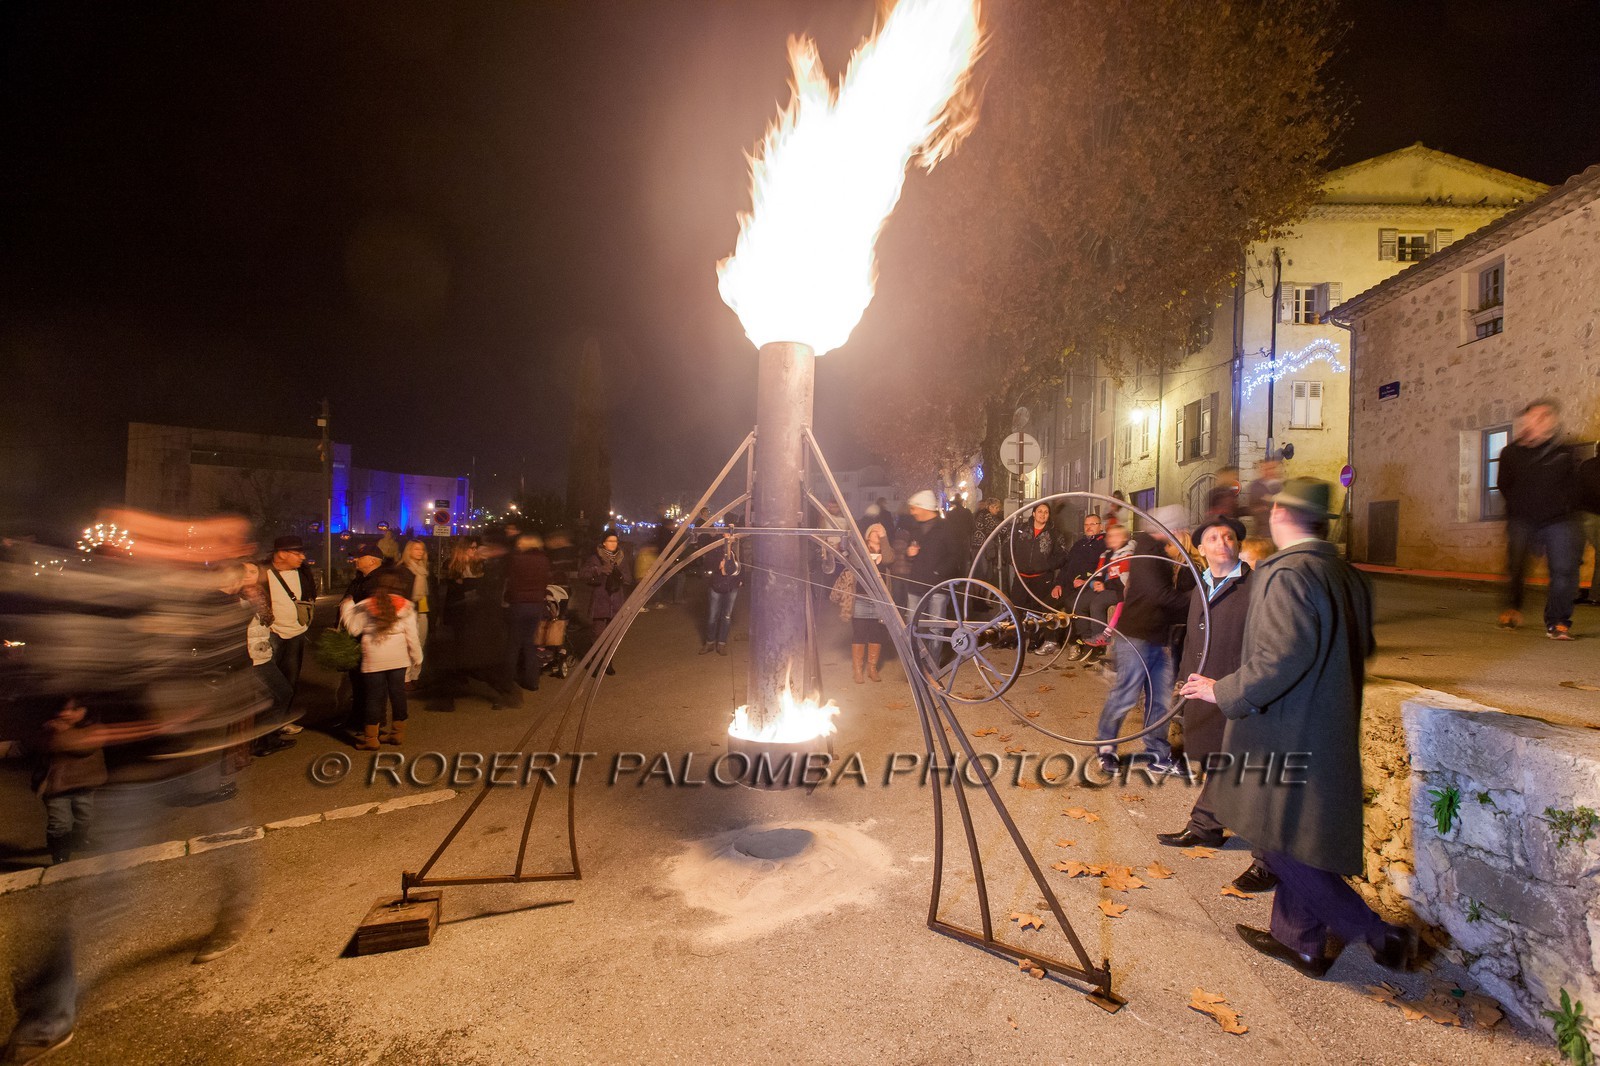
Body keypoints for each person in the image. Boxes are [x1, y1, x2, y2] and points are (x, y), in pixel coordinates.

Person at [1180, 478, 1421, 978]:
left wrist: (1220, 691)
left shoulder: (1285, 573)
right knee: (1295, 835)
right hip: (1327, 724)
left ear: (1281, 517)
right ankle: (1301, 942)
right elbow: (1359, 649)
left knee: (1274, 838)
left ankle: (1382, 935)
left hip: (1283, 729)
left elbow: (1279, 658)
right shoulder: (1347, 575)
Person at [1155, 514, 1274, 891]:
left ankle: (1268, 861)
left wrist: (1239, 688)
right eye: (1212, 537)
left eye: (1229, 536)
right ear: (1201, 548)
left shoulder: (1255, 587)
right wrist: (1184, 678)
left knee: (1253, 775)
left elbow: (1267, 648)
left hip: (1239, 692)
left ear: (1238, 545)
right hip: (1204, 690)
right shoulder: (1200, 588)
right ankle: (1205, 825)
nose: (1222, 542)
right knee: (1219, 762)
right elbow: (1194, 640)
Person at [1095, 505, 1193, 774]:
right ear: (1171, 529)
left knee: (1160, 699)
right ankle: (1106, 747)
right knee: (1125, 695)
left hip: (1157, 636)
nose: (1182, 535)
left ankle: (1159, 754)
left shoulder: (1160, 552)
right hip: (1136, 636)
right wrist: (1195, 602)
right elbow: (1157, 595)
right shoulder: (1148, 552)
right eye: (1179, 529)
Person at [1498, 398, 1581, 638]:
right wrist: (1520, 508)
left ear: (1553, 421)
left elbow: (1574, 486)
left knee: (1564, 571)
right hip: (1522, 519)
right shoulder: (1511, 453)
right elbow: (1504, 485)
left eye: (1544, 416)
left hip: (1559, 520)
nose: (1538, 421)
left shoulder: (1565, 452)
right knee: (1516, 566)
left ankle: (1558, 620)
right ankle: (1513, 607)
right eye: (1533, 417)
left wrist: (1565, 508)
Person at [342, 570, 422, 750]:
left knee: (373, 698)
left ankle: (371, 739)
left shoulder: (366, 605)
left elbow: (354, 629)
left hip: (374, 658)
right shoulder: (407, 607)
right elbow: (412, 636)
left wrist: (346, 607)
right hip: (399, 658)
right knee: (398, 695)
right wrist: (417, 657)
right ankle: (397, 734)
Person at [31, 698, 107, 865]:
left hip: (85, 783)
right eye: (62, 710)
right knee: (60, 823)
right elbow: (40, 744)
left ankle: (80, 841)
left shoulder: (95, 728)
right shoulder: (49, 728)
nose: (65, 714)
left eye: (72, 710)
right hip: (56, 787)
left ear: (84, 710)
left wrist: (64, 732)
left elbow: (82, 747)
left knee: (85, 818)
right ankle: (59, 853)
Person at [262, 535, 317, 734]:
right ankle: (267, 727)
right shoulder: (262, 572)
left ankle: (283, 720)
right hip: (272, 634)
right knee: (270, 683)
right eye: (297, 553)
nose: (302, 557)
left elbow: (310, 594)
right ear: (282, 553)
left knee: (290, 679)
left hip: (296, 633)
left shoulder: (302, 572)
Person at [901, 490, 961, 668]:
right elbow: (911, 551)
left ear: (924, 507)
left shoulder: (947, 528)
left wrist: (938, 572)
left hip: (938, 587)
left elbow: (955, 555)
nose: (912, 512)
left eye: (914, 508)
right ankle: (915, 663)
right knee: (912, 624)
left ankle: (932, 666)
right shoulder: (916, 528)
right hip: (916, 585)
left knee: (936, 627)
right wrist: (909, 554)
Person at [1009, 501, 1068, 654]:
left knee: (1036, 609)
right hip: (1021, 577)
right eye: (1040, 511)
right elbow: (1008, 547)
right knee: (1016, 607)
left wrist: (1047, 565)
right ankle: (1014, 636)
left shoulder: (1054, 534)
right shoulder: (1022, 529)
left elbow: (1062, 556)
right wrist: (1013, 562)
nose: (1042, 514)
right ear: (1033, 513)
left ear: (1049, 516)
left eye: (1046, 512)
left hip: (1041, 578)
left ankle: (1035, 639)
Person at [581, 531, 633, 675]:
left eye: (615, 541)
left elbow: (629, 578)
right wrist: (599, 570)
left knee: (612, 635)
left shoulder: (622, 559)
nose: (613, 544)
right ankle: (595, 664)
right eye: (610, 541)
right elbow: (583, 574)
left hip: (616, 601)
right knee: (597, 634)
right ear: (603, 542)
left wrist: (620, 575)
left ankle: (607, 663)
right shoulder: (595, 558)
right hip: (600, 601)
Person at [505, 532, 552, 691]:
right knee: (530, 643)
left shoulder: (516, 560)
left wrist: (508, 598)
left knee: (513, 644)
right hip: (536, 605)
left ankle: (507, 681)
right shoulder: (544, 560)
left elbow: (511, 582)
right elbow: (546, 581)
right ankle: (532, 681)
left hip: (518, 605)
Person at [1058, 513, 1105, 659]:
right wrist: (1058, 583)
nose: (1089, 527)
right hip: (1070, 584)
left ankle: (1078, 642)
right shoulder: (1079, 544)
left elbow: (1103, 569)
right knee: (1048, 600)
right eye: (1086, 525)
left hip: (1089, 585)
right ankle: (1051, 640)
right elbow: (1066, 566)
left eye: (1093, 524)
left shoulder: (1104, 544)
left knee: (1073, 604)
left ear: (1100, 526)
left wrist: (1087, 581)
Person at [395, 538, 432, 684]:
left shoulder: (423, 569)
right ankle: (405, 678)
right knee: (408, 645)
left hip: (422, 610)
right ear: (409, 550)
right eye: (416, 549)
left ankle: (415, 676)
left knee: (420, 643)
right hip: (407, 610)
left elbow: (428, 594)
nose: (420, 552)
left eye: (422, 549)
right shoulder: (403, 569)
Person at [702, 526, 742, 656]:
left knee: (727, 616)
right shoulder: (716, 549)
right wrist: (718, 566)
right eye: (728, 534)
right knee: (713, 616)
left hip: (732, 586)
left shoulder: (736, 549)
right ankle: (709, 642)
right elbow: (707, 564)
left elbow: (743, 564)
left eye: (732, 535)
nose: (730, 537)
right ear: (723, 535)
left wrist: (741, 580)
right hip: (717, 586)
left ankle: (722, 644)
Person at [1578, 448, 1600, 605]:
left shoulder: (1586, 465)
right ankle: (1595, 595)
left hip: (1579, 514)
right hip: (1596, 515)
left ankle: (1569, 593)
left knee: (1573, 557)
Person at [1245, 458, 1283, 537]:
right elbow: (1251, 508)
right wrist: (1260, 509)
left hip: (1281, 529)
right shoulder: (1255, 486)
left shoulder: (1283, 485)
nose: (1269, 471)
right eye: (1266, 469)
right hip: (1263, 530)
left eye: (1272, 468)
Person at [970, 498, 1003, 582]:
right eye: (997, 507)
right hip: (981, 548)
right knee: (982, 573)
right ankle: (979, 594)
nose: (998, 510)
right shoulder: (987, 515)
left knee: (979, 572)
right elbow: (997, 527)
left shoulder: (979, 514)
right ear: (990, 507)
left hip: (976, 546)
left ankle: (979, 593)